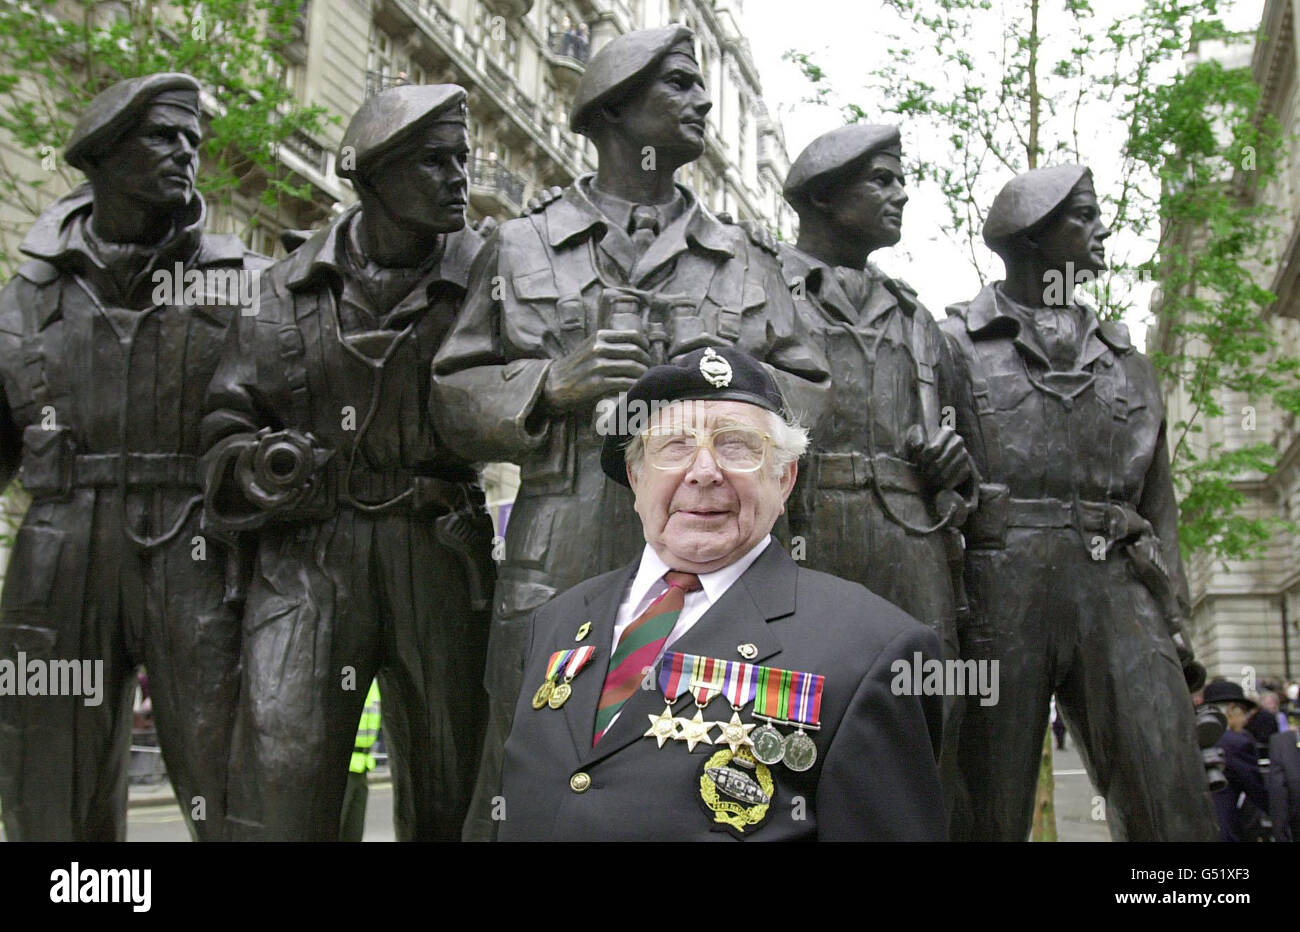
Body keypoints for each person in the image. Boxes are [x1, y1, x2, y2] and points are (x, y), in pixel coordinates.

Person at [432, 25, 828, 840]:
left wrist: (721, 405)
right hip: (562, 542)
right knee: (526, 774)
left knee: (705, 777)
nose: (703, 101)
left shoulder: (744, 259)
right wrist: (549, 384)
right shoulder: (518, 244)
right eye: (679, 86)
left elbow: (811, 384)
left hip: (706, 553)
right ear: (614, 108)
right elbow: (450, 395)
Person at [494, 346, 945, 840]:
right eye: (674, 446)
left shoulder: (873, 650)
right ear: (636, 476)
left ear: (784, 478)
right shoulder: (555, 622)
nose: (704, 471)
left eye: (737, 446)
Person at [201, 84, 494, 841]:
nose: (458, 176)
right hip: (307, 558)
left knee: (452, 784)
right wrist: (256, 466)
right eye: (435, 161)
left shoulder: (497, 275)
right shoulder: (281, 289)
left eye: (461, 157)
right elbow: (225, 426)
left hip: (438, 549)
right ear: (370, 175)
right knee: (285, 783)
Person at [0, 73, 268, 841]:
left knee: (225, 774)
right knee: (49, 782)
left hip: (196, 549)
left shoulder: (247, 284)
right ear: (102, 154)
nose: (185, 151)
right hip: (57, 551)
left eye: (193, 138)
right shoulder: (23, 298)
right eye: (162, 135)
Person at [941, 164, 1218, 841]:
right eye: (1084, 217)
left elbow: (1161, 505)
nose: (1103, 229)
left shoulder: (1129, 361)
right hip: (999, 584)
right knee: (984, 808)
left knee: (1170, 795)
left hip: (1119, 583)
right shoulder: (952, 346)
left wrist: (1174, 618)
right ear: (1035, 236)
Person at [778, 124, 976, 823]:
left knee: (924, 726)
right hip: (799, 532)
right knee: (784, 734)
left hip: (910, 543)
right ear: (827, 196)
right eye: (882, 180)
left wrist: (954, 466)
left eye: (900, 179)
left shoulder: (918, 318)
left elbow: (964, 458)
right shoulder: (763, 291)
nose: (901, 193)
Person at [1203, 680, 1270, 842]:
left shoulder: (1193, 737)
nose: (1246, 720)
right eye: (1244, 712)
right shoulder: (1235, 743)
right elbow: (1256, 788)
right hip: (1222, 828)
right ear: (1232, 710)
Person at [339, 680, 382, 842]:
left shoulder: (374, 683)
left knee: (354, 830)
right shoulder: (351, 672)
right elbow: (343, 701)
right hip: (343, 767)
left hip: (362, 765)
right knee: (337, 828)